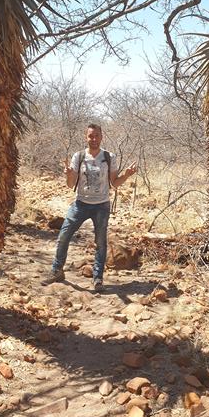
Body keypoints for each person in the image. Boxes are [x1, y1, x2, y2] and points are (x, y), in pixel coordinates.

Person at [43, 123, 137, 292]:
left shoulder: (109, 157)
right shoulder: (78, 157)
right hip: (80, 204)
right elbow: (70, 184)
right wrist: (69, 174)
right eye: (90, 136)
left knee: (100, 242)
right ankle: (57, 270)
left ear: (102, 137)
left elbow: (114, 183)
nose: (93, 139)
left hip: (101, 205)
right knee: (64, 235)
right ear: (86, 137)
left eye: (96, 136)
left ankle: (98, 278)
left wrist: (127, 175)